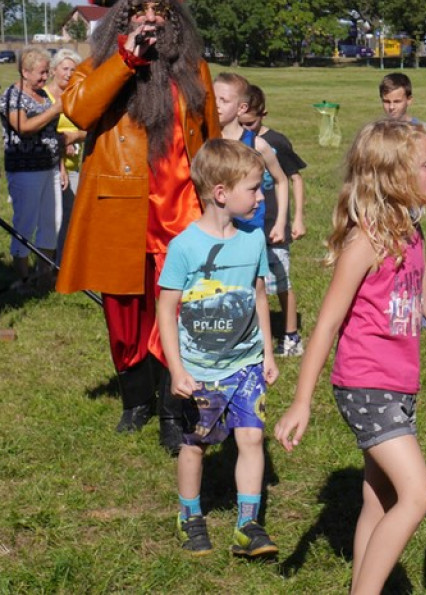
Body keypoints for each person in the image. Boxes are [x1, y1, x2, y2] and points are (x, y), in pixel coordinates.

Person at [274, 119, 426, 594]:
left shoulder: (410, 233)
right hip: (366, 386)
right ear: (393, 176)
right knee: (417, 495)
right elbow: (327, 325)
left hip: (398, 385)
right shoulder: (366, 242)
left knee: (379, 499)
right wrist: (301, 402)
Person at [55, 0, 219, 451]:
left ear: (174, 19)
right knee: (124, 314)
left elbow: (211, 139)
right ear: (120, 22)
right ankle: (135, 401)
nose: (150, 19)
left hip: (182, 212)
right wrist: (125, 59)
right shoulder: (96, 67)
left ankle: (172, 408)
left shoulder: (194, 70)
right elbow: (78, 111)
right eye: (138, 12)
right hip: (120, 212)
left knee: (178, 309)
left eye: (159, 10)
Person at [157, 138, 280, 557]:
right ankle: (189, 515)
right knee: (195, 443)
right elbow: (166, 309)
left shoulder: (254, 239)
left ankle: (248, 525)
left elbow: (259, 296)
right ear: (222, 193)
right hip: (201, 369)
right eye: (254, 189)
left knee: (252, 438)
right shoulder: (184, 246)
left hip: (247, 364)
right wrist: (177, 370)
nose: (261, 197)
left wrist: (268, 353)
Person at [238, 84, 308, 357]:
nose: (247, 129)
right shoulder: (236, 141)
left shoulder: (275, 142)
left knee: (281, 282)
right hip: (247, 223)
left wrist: (297, 218)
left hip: (274, 225)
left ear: (263, 114)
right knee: (252, 283)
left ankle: (291, 336)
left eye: (251, 124)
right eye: (242, 124)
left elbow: (294, 179)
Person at [0, 46, 66, 290]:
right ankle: (24, 278)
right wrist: (54, 110)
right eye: (41, 73)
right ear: (25, 72)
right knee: (26, 222)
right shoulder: (12, 96)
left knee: (52, 222)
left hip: (50, 167)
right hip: (25, 170)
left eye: (47, 72)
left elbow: (52, 132)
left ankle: (44, 274)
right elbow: (23, 127)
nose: (45, 77)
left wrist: (61, 165)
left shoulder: (43, 95)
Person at [211, 72, 288, 245]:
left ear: (242, 108)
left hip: (249, 229)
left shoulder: (257, 145)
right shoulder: (204, 142)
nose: (216, 105)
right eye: (213, 99)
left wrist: (280, 222)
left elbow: (281, 180)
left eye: (224, 100)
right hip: (214, 228)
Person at [44, 49, 87, 265]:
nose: (69, 74)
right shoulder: (44, 96)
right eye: (65, 68)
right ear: (54, 70)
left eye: (73, 70)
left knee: (70, 219)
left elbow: (88, 129)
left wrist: (74, 136)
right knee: (52, 219)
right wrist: (61, 142)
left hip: (73, 168)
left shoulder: (75, 97)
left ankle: (60, 264)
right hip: (50, 168)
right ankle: (46, 263)